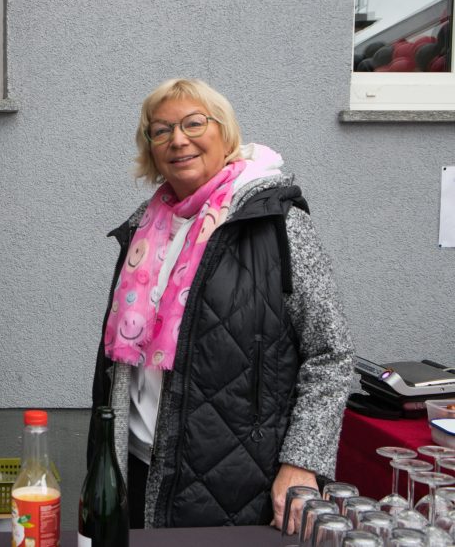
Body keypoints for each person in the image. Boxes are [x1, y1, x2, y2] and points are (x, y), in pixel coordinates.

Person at [89, 78, 354, 531]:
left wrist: (301, 463)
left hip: (238, 478)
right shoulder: (144, 231)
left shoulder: (277, 225)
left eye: (194, 123)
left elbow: (330, 355)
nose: (178, 139)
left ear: (225, 133)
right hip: (134, 462)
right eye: (161, 130)